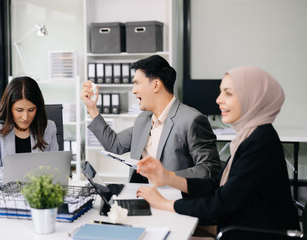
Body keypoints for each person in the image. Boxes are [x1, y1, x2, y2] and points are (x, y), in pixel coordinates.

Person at [136, 66, 299, 239]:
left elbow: (220, 205)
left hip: (255, 232)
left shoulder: (260, 143)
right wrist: (169, 178)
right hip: (242, 225)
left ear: (253, 98)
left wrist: (164, 203)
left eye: (228, 93)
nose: (218, 100)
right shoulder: (250, 136)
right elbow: (218, 184)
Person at [81, 55, 220, 183]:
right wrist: (92, 108)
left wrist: (167, 176)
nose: (134, 90)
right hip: (142, 198)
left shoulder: (192, 120)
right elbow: (114, 145)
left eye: (137, 83)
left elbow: (210, 169)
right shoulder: (144, 119)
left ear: (156, 85)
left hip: (174, 200)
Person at [0, 76, 58, 180]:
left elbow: (55, 168)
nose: (25, 117)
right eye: (19, 110)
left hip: (38, 192)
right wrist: (20, 175)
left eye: (31, 110)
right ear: (9, 108)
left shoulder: (48, 128)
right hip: (6, 191)